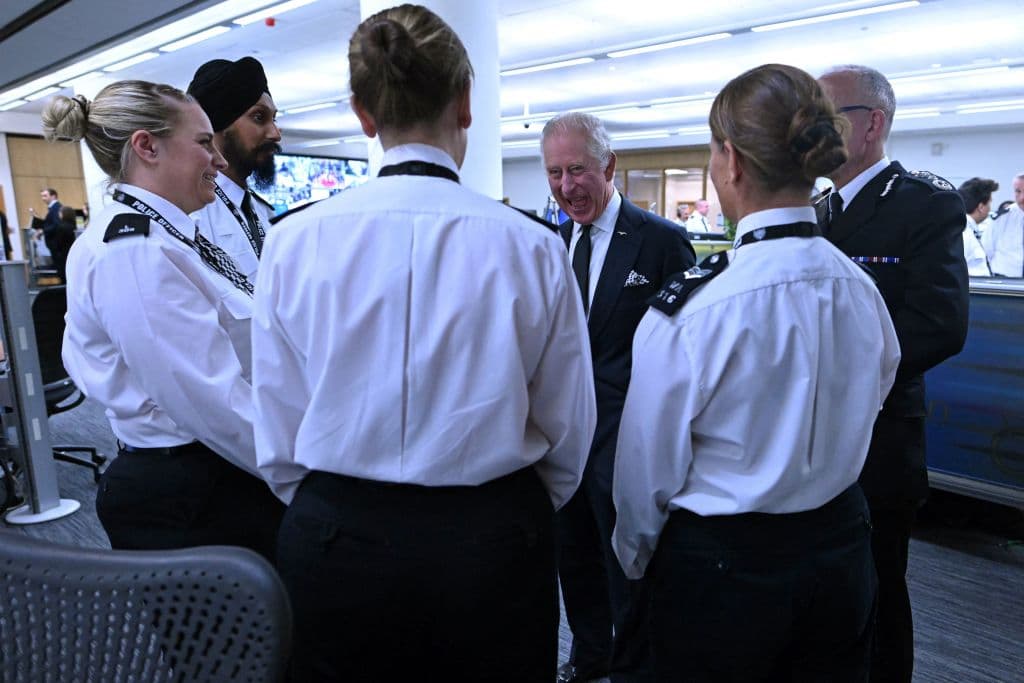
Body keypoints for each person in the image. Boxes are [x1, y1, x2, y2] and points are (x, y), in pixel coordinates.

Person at [251, 6, 596, 681]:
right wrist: (509, 514)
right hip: (491, 539)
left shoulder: (293, 241)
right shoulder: (532, 246)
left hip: (335, 536)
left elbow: (277, 418)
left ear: (362, 113)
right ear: (466, 101)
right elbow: (568, 426)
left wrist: (335, 510)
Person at [612, 63, 900, 682]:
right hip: (842, 554)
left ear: (733, 161)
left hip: (726, 573)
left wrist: (636, 564)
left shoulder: (693, 311)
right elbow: (877, 394)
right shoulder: (862, 288)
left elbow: (645, 476)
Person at [42, 81, 284, 560]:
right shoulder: (135, 253)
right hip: (195, 488)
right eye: (202, 142)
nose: (217, 159)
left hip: (220, 468)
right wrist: (305, 475)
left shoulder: (171, 235)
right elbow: (209, 400)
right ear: (146, 146)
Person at [817, 64, 969, 683]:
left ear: (872, 123)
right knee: (824, 593)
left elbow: (938, 324)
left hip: (880, 434)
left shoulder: (923, 204)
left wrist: (839, 381)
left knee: (878, 590)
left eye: (823, 117)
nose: (808, 131)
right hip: (814, 437)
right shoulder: (818, 207)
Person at [541, 111, 694, 683]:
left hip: (628, 437)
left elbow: (680, 349)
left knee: (628, 563)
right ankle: (589, 654)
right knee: (573, 556)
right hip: (563, 436)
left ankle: (635, 666)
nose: (566, 187)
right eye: (555, 173)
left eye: (577, 170)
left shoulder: (661, 243)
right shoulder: (550, 242)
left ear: (609, 165)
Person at [187, 57, 281, 282]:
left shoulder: (261, 211)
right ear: (216, 126)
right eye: (259, 118)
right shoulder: (194, 216)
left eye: (274, 119)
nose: (276, 133)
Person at [981, 173, 1024, 277]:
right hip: (1007, 283)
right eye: (1018, 191)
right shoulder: (1001, 218)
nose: (1022, 197)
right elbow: (986, 251)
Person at [958, 177, 997, 276]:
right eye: (989, 203)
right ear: (981, 207)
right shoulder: (963, 233)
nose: (990, 208)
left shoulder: (969, 230)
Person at [30, 187, 62, 258]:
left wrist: (42, 231)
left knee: (60, 266)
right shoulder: (53, 208)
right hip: (55, 244)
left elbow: (57, 224)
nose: (43, 198)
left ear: (53, 196)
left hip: (57, 244)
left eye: (45, 196)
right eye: (42, 196)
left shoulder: (56, 207)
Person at [52, 204, 78, 282]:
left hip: (63, 256)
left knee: (64, 278)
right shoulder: (75, 225)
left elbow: (57, 244)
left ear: (64, 214)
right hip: (73, 254)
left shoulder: (61, 227)